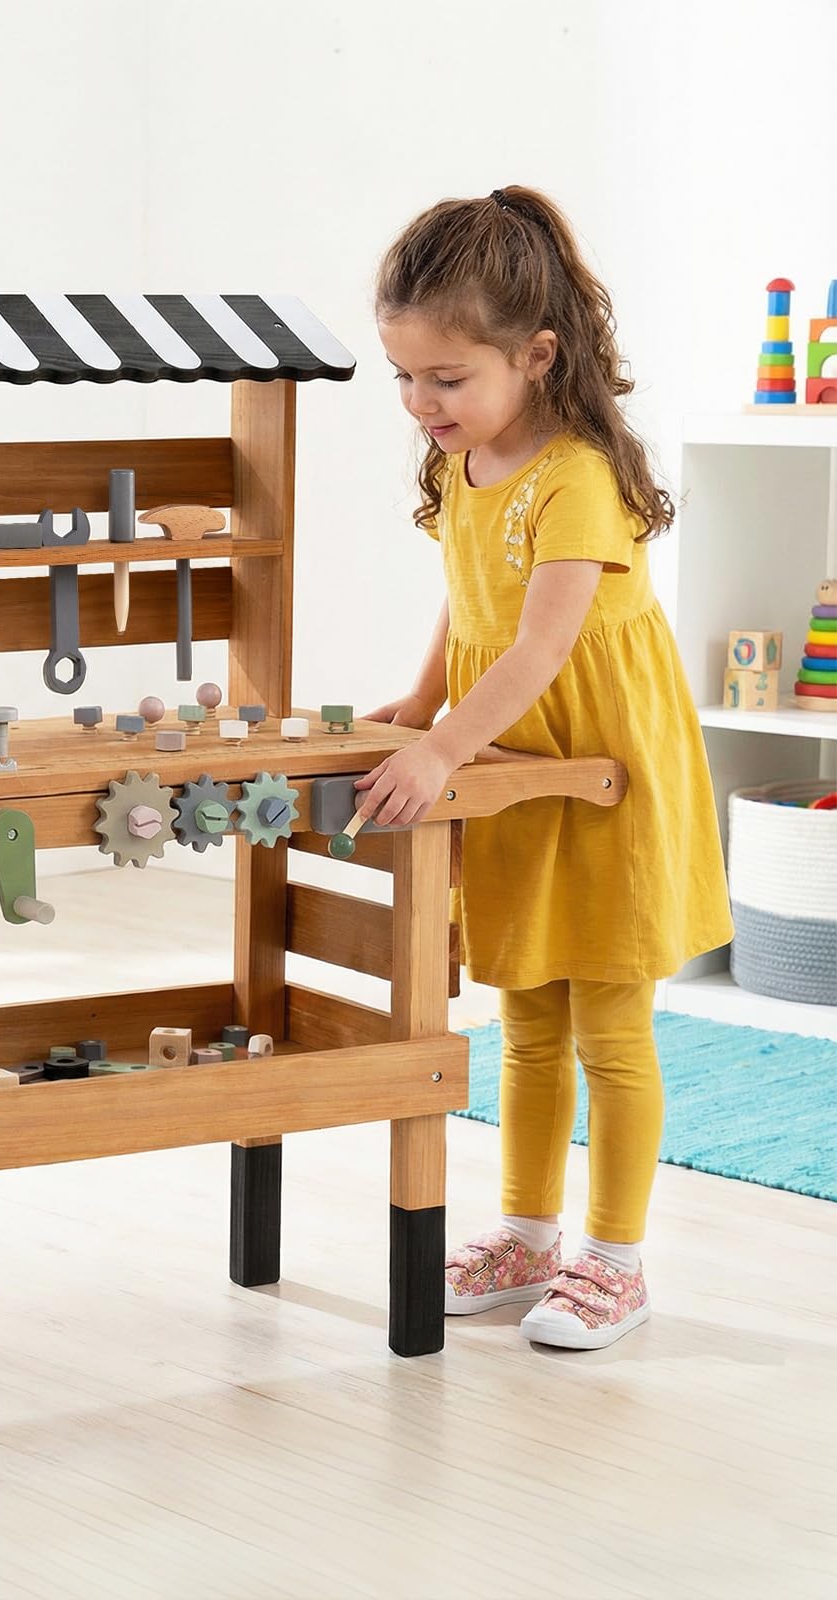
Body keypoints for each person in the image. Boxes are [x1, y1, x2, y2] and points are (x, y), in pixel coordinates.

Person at [360, 184, 731, 1350]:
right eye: (404, 377)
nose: (421, 403)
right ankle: (526, 1235)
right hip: (512, 764)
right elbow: (467, 601)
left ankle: (613, 1260)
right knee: (523, 1020)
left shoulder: (575, 477)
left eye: (446, 378)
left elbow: (539, 644)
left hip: (602, 768)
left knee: (609, 1029)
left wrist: (440, 744)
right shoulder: (460, 465)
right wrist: (422, 701)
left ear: (535, 354)